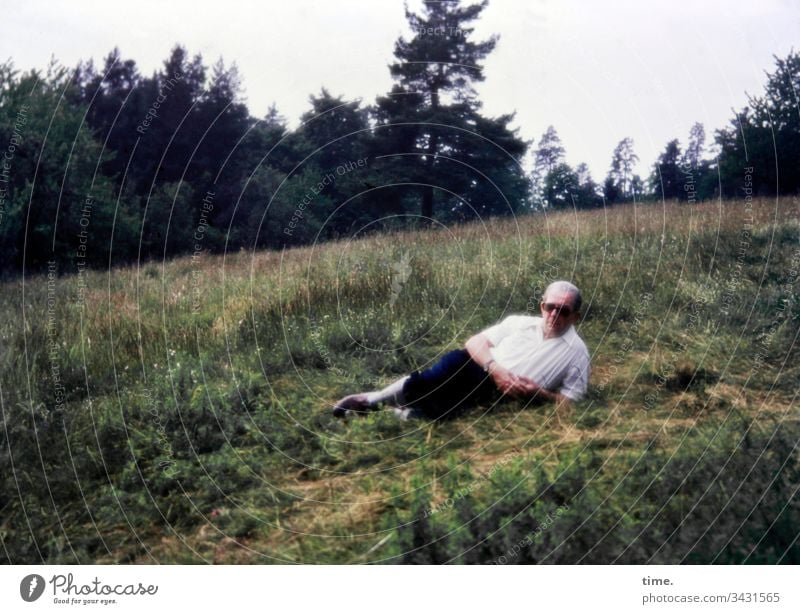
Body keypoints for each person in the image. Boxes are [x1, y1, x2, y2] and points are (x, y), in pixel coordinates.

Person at [333, 280, 590, 420]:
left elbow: (570, 402)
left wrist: (539, 394)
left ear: (575, 317)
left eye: (564, 310)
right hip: (477, 366)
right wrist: (495, 369)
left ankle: (378, 414)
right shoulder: (518, 323)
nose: (554, 314)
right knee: (436, 378)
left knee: (442, 412)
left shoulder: (577, 353)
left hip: (502, 395)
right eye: (550, 307)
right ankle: (370, 400)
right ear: (541, 306)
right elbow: (475, 342)